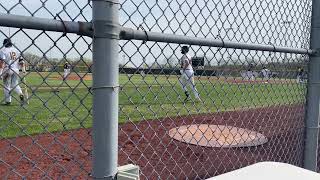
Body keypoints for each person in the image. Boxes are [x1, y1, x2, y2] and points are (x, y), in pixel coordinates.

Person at [0, 38, 25, 105]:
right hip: (16, 70)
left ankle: (8, 101)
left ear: (4, 44)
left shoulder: (3, 50)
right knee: (15, 84)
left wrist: (0, 72)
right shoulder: (16, 50)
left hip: (7, 70)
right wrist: (23, 70)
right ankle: (20, 94)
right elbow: (21, 61)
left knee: (6, 86)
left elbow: (2, 62)